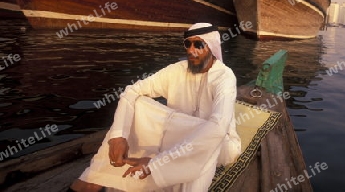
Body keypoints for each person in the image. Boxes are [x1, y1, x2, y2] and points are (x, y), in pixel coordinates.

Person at [69, 23, 241, 192]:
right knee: (138, 103)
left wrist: (155, 164)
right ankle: (94, 180)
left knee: (207, 135)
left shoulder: (225, 77)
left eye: (198, 44)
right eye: (187, 44)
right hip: (178, 135)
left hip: (217, 144)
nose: (190, 50)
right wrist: (118, 135)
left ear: (211, 46)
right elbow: (131, 91)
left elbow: (218, 127)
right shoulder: (177, 70)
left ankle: (157, 169)